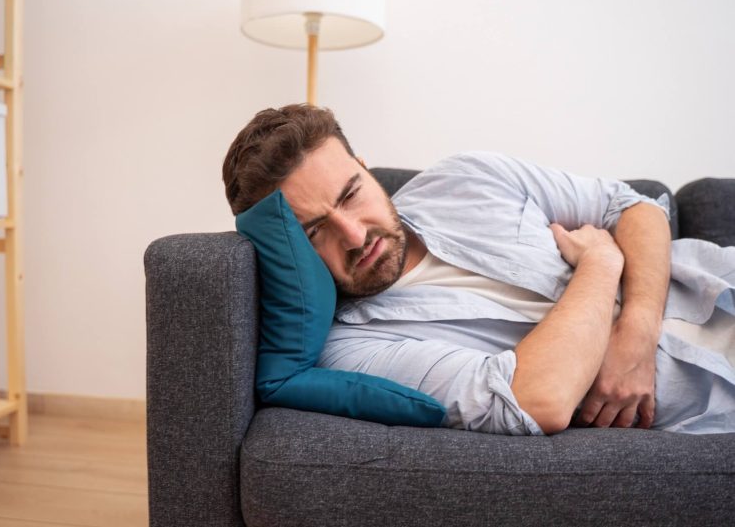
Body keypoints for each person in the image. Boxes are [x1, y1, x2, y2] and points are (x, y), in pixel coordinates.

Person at [222, 104, 735, 436]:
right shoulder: (351, 350)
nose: (355, 236)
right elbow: (540, 400)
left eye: (351, 194)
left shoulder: (465, 177)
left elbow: (633, 206)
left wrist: (638, 329)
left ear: (365, 168)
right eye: (315, 232)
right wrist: (601, 263)